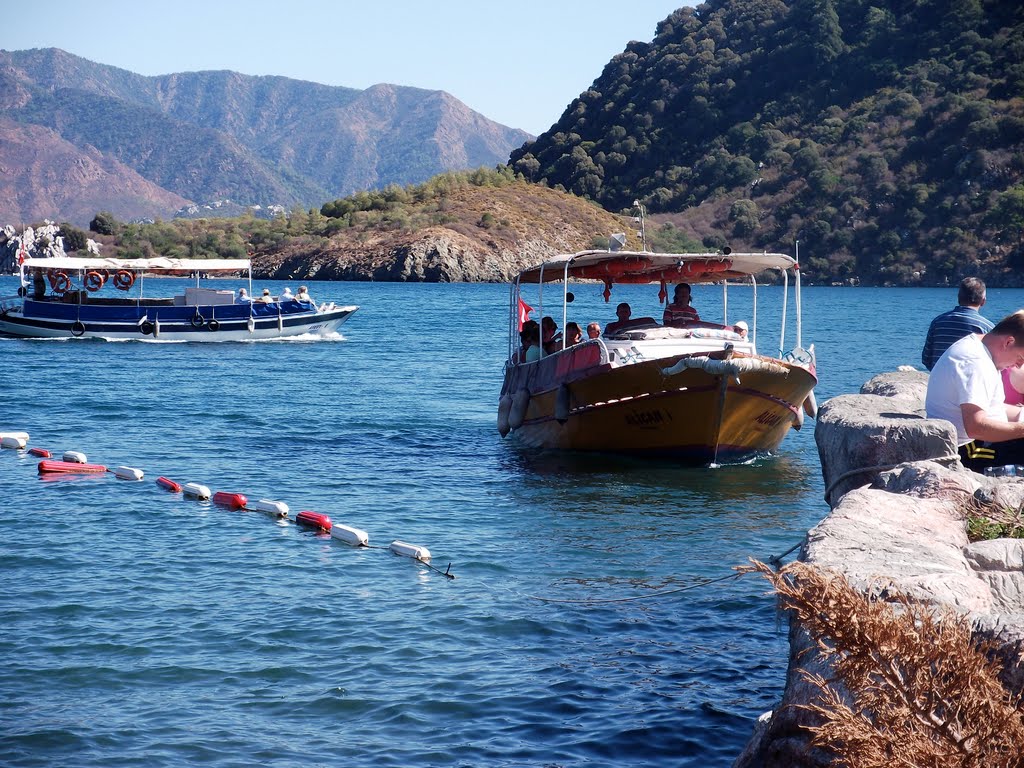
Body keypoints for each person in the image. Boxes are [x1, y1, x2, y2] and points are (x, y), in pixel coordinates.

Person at [924, 310, 1024, 472]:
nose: (1019, 365)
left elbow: (991, 407)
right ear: (1008, 342)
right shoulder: (975, 363)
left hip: (978, 441)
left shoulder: (981, 348)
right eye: (1021, 358)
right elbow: (976, 427)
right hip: (966, 450)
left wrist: (1021, 414)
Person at [921, 277, 993, 370]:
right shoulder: (986, 327)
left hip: (939, 381)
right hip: (971, 382)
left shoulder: (938, 322)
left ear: (959, 297)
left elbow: (927, 359)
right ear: (983, 301)